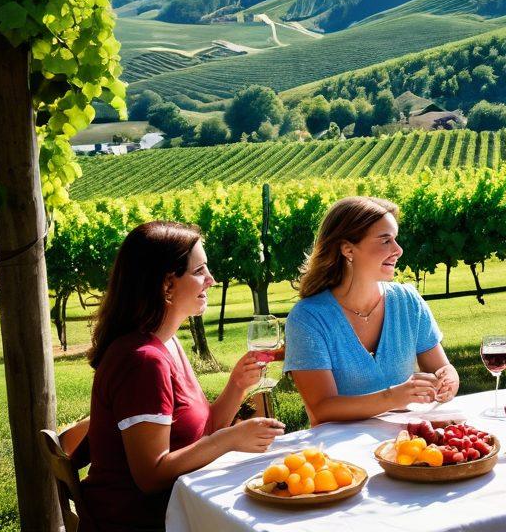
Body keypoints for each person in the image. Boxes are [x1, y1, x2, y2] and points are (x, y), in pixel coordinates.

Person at [83, 221, 285, 532]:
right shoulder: (142, 362)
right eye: (199, 271)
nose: (212, 280)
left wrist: (237, 386)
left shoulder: (167, 343)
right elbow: (151, 477)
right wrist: (230, 440)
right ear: (167, 286)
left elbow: (201, 434)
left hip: (180, 506)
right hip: (147, 521)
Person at [285, 196, 460, 424]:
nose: (398, 250)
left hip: (405, 445)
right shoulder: (308, 318)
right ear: (348, 249)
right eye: (385, 240)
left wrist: (449, 378)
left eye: (395, 239)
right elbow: (322, 408)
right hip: (338, 452)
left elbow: (441, 368)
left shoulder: (408, 301)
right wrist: (393, 397)